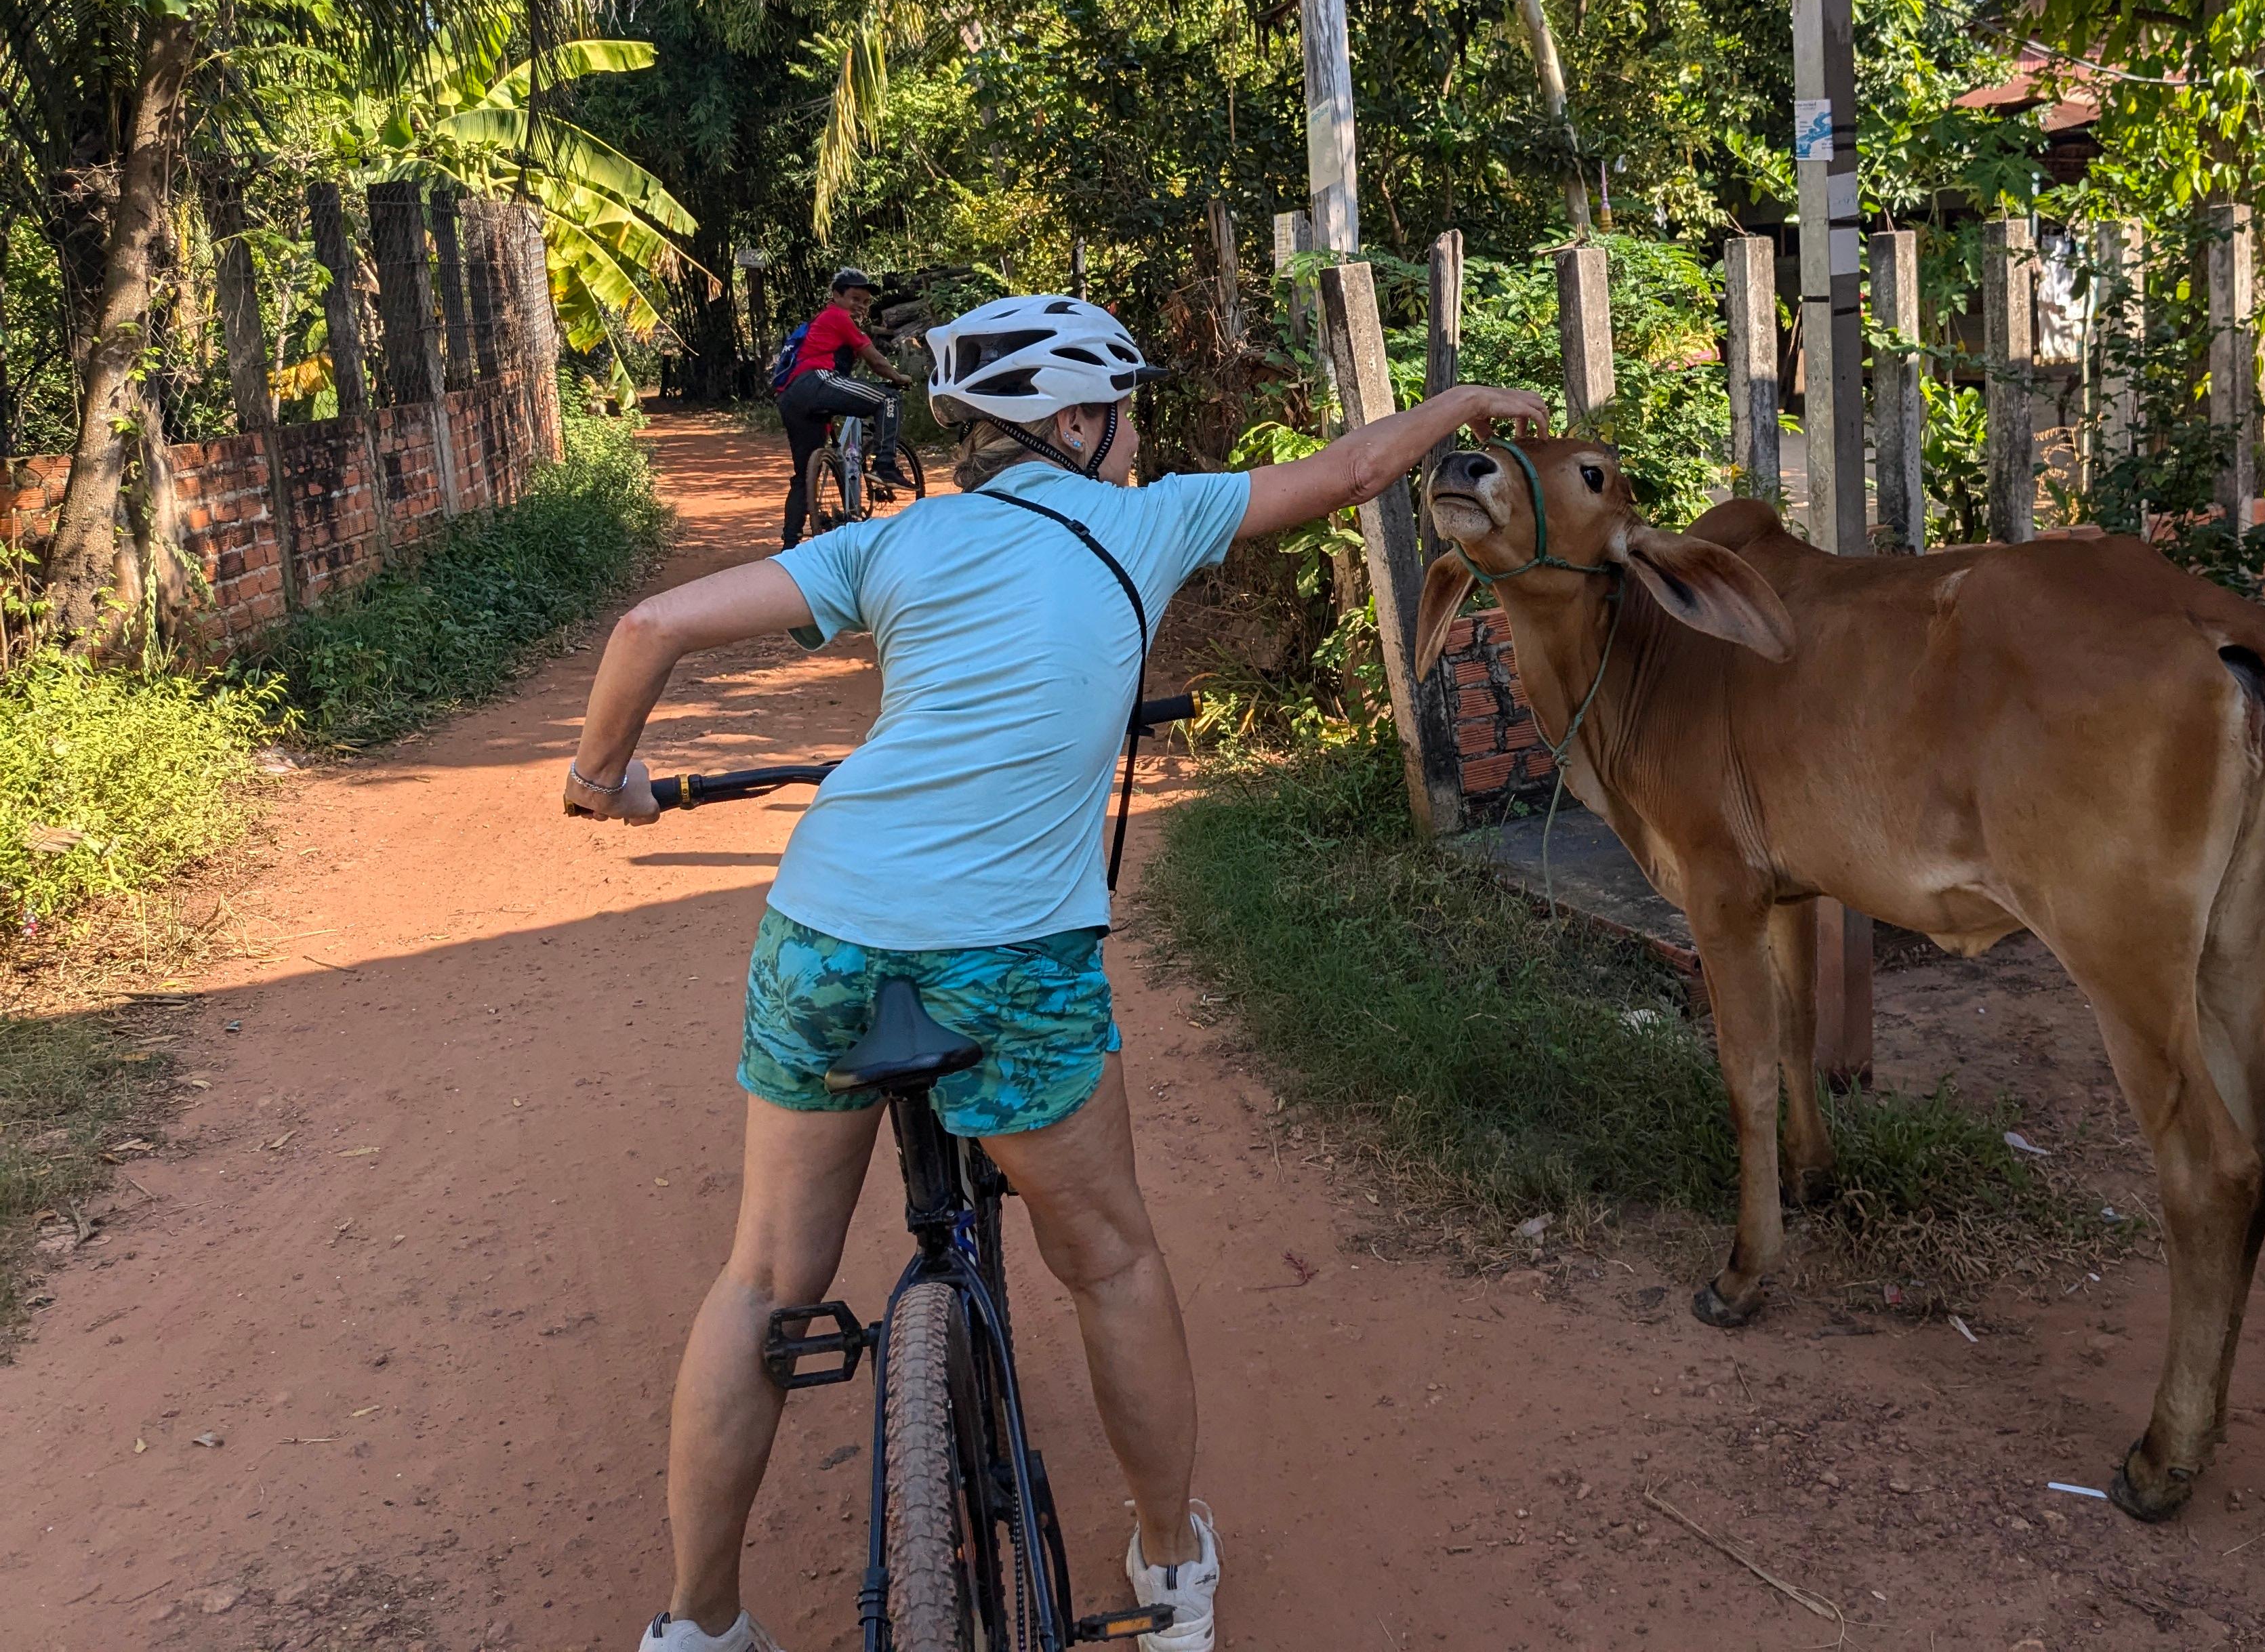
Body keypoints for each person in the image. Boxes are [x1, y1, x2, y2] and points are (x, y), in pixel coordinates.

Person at [565, 289, 1550, 1652]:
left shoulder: (892, 542)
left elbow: (646, 632)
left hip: (825, 933)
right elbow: (1356, 470)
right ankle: (1165, 1569)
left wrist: (601, 779)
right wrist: (1464, 408)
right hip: (1013, 958)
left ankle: (695, 1626)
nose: (1139, 439)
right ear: (1077, 424)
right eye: (1127, 414)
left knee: (764, 1282)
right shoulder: (1147, 523)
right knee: (1112, 1262)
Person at [777, 267, 912, 547]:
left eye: (866, 302)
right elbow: (876, 361)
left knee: (804, 474)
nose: (861, 306)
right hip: (816, 381)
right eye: (855, 298)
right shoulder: (837, 317)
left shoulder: (820, 322)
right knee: (888, 398)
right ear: (836, 296)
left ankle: (790, 543)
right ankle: (885, 464)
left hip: (791, 397)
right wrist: (898, 377)